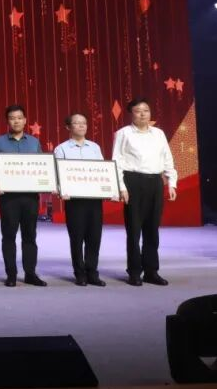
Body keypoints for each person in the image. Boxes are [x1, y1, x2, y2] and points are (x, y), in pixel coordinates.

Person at [112, 97, 177, 286]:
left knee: (152, 229)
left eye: (146, 110)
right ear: (131, 114)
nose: (143, 114)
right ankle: (134, 272)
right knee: (134, 230)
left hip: (155, 182)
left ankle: (151, 271)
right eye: (138, 111)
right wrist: (122, 187)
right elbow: (117, 161)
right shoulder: (123, 133)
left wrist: (171, 183)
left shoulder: (158, 133)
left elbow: (167, 158)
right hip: (133, 181)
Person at [0, 104, 46, 287]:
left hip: (30, 197)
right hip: (8, 197)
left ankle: (30, 273)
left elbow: (42, 166)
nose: (16, 121)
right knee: (9, 236)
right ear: (7, 121)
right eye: (12, 118)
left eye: (19, 118)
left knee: (30, 235)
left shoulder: (34, 142)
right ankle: (11, 274)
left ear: (25, 120)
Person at [53, 112, 107, 287]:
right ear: (68, 127)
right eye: (77, 123)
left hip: (94, 199)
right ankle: (80, 273)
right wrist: (61, 190)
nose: (82, 125)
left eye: (84, 122)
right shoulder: (61, 149)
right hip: (74, 200)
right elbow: (58, 174)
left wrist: (109, 188)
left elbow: (103, 170)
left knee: (94, 237)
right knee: (77, 238)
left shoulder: (95, 147)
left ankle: (93, 273)